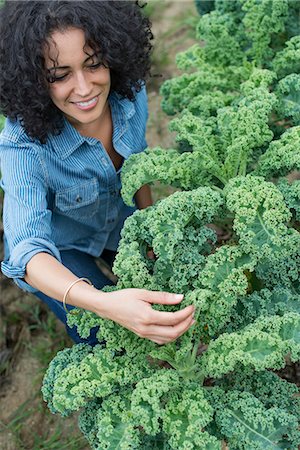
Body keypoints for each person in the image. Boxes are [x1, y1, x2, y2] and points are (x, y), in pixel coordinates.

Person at [0, 0, 195, 345]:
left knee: (172, 289)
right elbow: (28, 252)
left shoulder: (127, 93)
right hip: (62, 249)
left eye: (94, 64)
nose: (85, 88)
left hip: (119, 221)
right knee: (104, 335)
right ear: (32, 80)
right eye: (59, 76)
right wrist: (105, 303)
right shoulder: (22, 146)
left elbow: (137, 164)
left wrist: (149, 223)